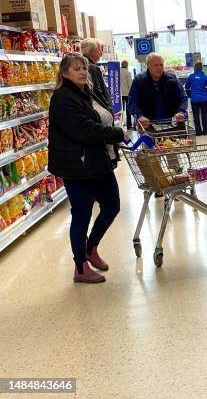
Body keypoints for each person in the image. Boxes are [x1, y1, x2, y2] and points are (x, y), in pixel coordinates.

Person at [48, 53, 128, 284]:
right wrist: (115, 134)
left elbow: (99, 120)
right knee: (81, 216)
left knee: (112, 206)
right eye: (76, 69)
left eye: (83, 67)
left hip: (98, 161)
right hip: (78, 166)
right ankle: (80, 266)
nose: (82, 72)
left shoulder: (86, 91)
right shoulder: (62, 97)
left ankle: (91, 248)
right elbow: (83, 130)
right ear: (64, 73)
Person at [127, 52, 188, 128]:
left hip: (173, 124)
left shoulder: (172, 79)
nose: (159, 67)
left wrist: (181, 111)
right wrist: (139, 116)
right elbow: (132, 101)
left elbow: (183, 97)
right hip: (148, 126)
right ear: (148, 66)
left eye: (161, 65)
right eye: (156, 65)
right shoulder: (138, 80)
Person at [185, 62, 207, 136]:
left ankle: (198, 133)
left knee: (196, 117)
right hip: (204, 99)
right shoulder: (204, 77)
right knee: (204, 116)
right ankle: (205, 132)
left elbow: (187, 87)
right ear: (202, 68)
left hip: (194, 100)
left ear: (194, 68)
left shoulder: (191, 76)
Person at [81, 38, 111, 109]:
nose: (101, 52)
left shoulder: (84, 65)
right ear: (89, 52)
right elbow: (97, 92)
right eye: (99, 50)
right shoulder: (91, 68)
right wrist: (108, 108)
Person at [120, 60, 133, 129]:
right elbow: (130, 84)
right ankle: (128, 125)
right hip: (127, 94)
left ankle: (120, 125)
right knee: (128, 110)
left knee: (120, 110)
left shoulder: (118, 72)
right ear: (127, 65)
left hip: (119, 94)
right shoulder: (127, 72)